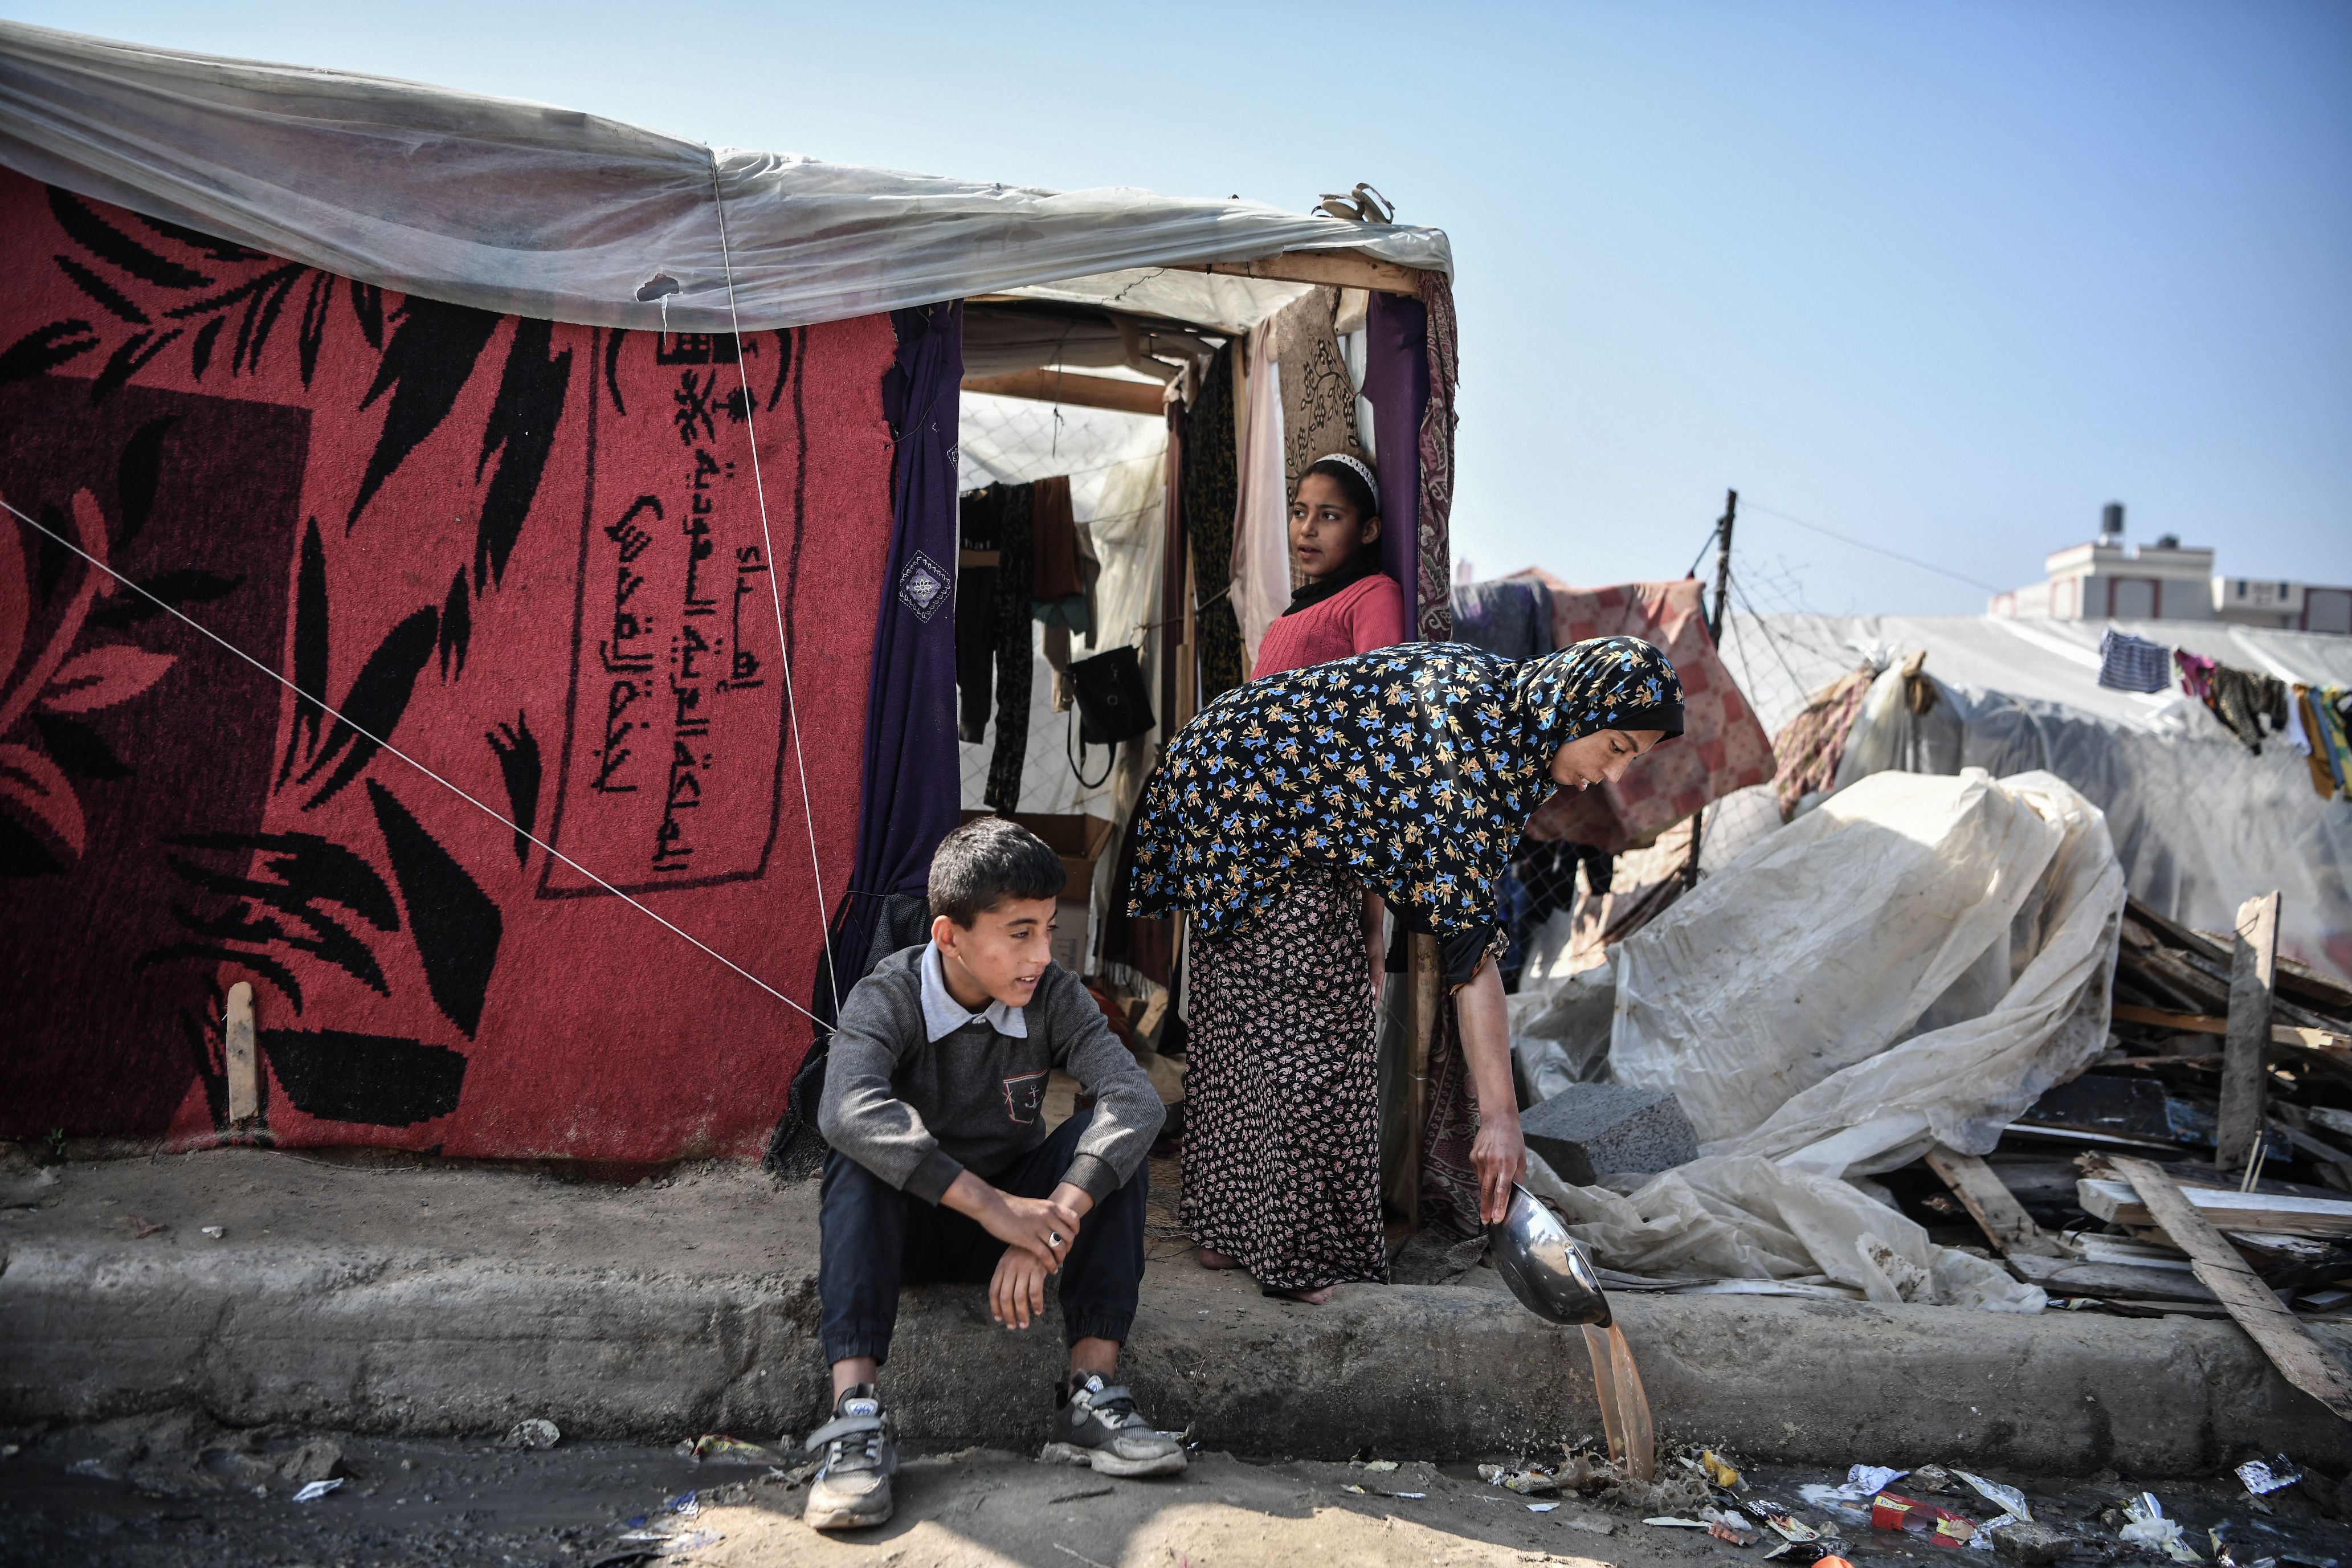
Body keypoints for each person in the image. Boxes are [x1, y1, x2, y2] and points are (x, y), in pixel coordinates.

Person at [1129, 636, 1681, 1304]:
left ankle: (1224, 1230)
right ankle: (1298, 1255)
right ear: (1573, 704)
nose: (1616, 775)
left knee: (1243, 1023)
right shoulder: (1472, 749)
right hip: (1243, 795)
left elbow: (1370, 791)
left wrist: (1368, 929)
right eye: (1617, 746)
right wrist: (1501, 1119)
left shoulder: (1511, 725)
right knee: (1318, 1039)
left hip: (1241, 780)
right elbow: (1471, 956)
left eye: (1634, 759)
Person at [807, 818, 1185, 1532]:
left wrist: (1047, 1224)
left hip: (1021, 1214)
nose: (1042, 954)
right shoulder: (888, 994)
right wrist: (993, 1209)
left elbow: (1134, 1098)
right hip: (912, 1226)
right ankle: (855, 1417)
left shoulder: (1054, 994)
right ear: (950, 936)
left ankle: (1093, 1389)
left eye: (1047, 928)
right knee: (856, 1156)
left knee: (1114, 1142)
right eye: (1020, 932)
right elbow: (846, 1109)